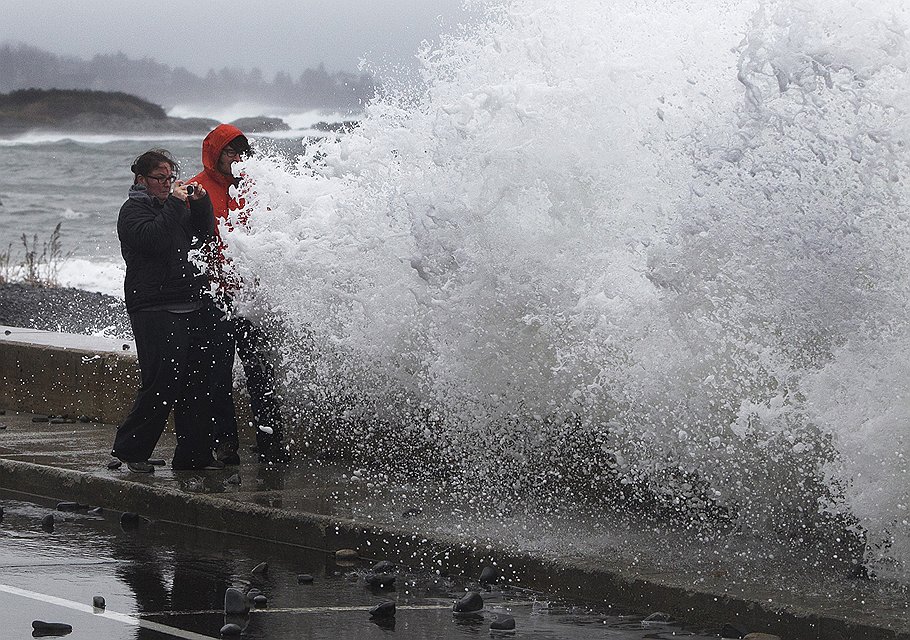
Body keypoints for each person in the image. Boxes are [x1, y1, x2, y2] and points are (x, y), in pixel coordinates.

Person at [111, 149, 226, 472]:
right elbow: (154, 240)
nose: (166, 184)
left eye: (170, 178)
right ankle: (132, 451)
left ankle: (194, 455)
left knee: (199, 381)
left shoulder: (176, 209)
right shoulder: (132, 211)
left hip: (191, 300)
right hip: (152, 306)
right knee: (162, 381)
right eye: (159, 179)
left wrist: (201, 203)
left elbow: (205, 238)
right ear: (141, 179)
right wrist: (176, 203)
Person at [190, 124, 285, 465]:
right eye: (230, 152)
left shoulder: (253, 190)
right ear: (216, 154)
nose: (237, 158)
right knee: (217, 374)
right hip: (214, 298)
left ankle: (271, 443)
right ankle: (225, 445)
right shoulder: (195, 190)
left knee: (261, 371)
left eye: (241, 152)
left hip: (250, 297)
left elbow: (271, 236)